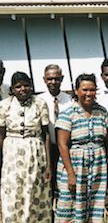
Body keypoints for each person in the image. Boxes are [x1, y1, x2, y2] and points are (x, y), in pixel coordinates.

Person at [55, 73, 108, 222]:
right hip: (75, 166)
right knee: (72, 205)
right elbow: (62, 145)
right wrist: (70, 174)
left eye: (92, 90)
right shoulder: (68, 114)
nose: (89, 93)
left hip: (98, 166)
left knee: (96, 205)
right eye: (84, 90)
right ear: (76, 91)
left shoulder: (101, 112)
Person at [0, 71, 51, 222]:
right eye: (18, 86)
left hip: (35, 152)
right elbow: (1, 135)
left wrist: (48, 164)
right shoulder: (4, 105)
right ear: (12, 90)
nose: (23, 89)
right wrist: (4, 159)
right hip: (12, 155)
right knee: (13, 191)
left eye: (26, 85)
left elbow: (46, 134)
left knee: (34, 191)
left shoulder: (40, 103)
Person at [38, 64, 72, 205]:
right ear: (44, 80)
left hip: (66, 148)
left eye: (56, 79)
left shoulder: (70, 100)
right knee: (47, 185)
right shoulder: (39, 100)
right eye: (50, 79)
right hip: (47, 148)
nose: (53, 82)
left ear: (62, 79)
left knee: (65, 184)